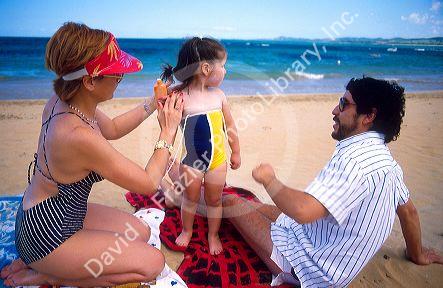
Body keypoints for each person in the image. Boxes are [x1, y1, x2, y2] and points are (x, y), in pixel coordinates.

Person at [0, 22, 184, 287]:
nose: (120, 77)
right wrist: (168, 130)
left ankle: (54, 265)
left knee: (141, 232)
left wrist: (153, 103)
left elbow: (113, 128)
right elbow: (147, 183)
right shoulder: (77, 137)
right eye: (116, 75)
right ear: (89, 81)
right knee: (152, 263)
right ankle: (51, 273)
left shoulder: (66, 98)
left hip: (53, 214)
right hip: (47, 237)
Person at [222, 77, 443, 287]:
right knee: (258, 208)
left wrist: (269, 180)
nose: (335, 110)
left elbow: (302, 211)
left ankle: (188, 199)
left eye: (343, 104)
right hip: (318, 240)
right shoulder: (386, 162)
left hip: (310, 268)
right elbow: (409, 213)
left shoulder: (354, 161)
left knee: (229, 202)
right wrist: (418, 255)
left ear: (368, 116)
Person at [160, 37, 241, 255]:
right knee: (191, 198)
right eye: (222, 66)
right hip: (192, 162)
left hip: (217, 161)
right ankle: (187, 231)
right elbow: (167, 120)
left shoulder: (219, 96)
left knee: (214, 200)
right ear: (206, 68)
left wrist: (236, 152)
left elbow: (230, 126)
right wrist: (164, 93)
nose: (225, 71)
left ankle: (212, 235)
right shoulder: (181, 97)